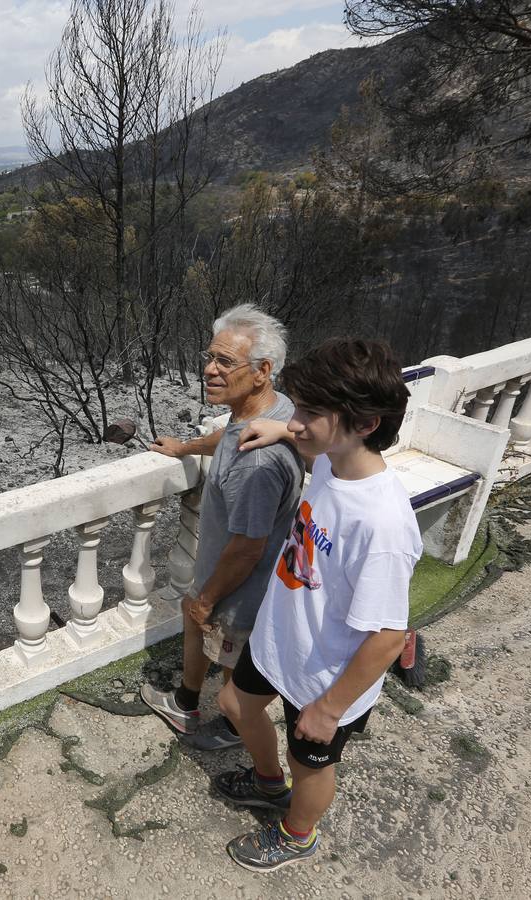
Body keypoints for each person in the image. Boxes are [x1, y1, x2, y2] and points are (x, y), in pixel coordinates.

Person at [212, 337, 421, 871]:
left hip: (327, 676)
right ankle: (265, 784)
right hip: (281, 638)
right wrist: (286, 429)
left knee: (309, 765)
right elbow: (311, 442)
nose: (296, 421)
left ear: (365, 423)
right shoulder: (333, 459)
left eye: (309, 412)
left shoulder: (382, 524)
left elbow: (389, 636)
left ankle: (297, 834)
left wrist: (329, 709)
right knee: (234, 705)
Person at [142, 304, 304, 751]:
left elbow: (248, 548)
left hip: (241, 587)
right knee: (194, 618)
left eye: (225, 362)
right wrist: (186, 447)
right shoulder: (274, 411)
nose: (209, 370)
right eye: (209, 358)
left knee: (236, 671)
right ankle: (187, 700)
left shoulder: (259, 465)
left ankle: (236, 731)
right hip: (225, 571)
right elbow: (229, 434)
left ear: (262, 371)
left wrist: (209, 598)